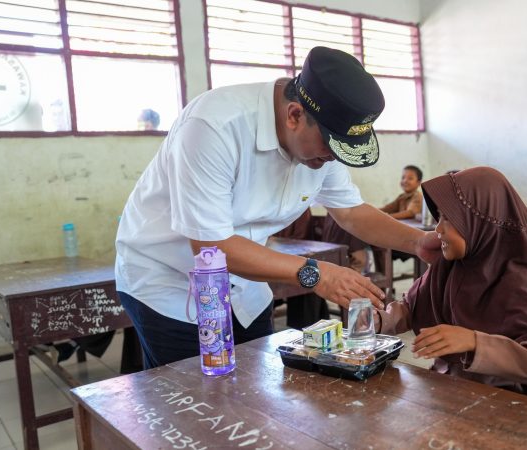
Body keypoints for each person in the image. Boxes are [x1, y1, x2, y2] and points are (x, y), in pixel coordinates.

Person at [115, 46, 440, 369]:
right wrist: (317, 273)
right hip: (171, 281)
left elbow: (351, 212)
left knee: (257, 392)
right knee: (196, 401)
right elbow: (211, 247)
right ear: (295, 115)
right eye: (330, 148)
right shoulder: (213, 127)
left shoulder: (323, 137)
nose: (332, 159)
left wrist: (417, 241)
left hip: (247, 283)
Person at [374, 167, 527, 394]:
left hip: (500, 402)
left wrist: (473, 341)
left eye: (448, 218)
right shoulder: (448, 266)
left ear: (478, 221)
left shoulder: (516, 279)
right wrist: (377, 320)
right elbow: (409, 309)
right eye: (438, 217)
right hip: (445, 389)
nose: (437, 229)